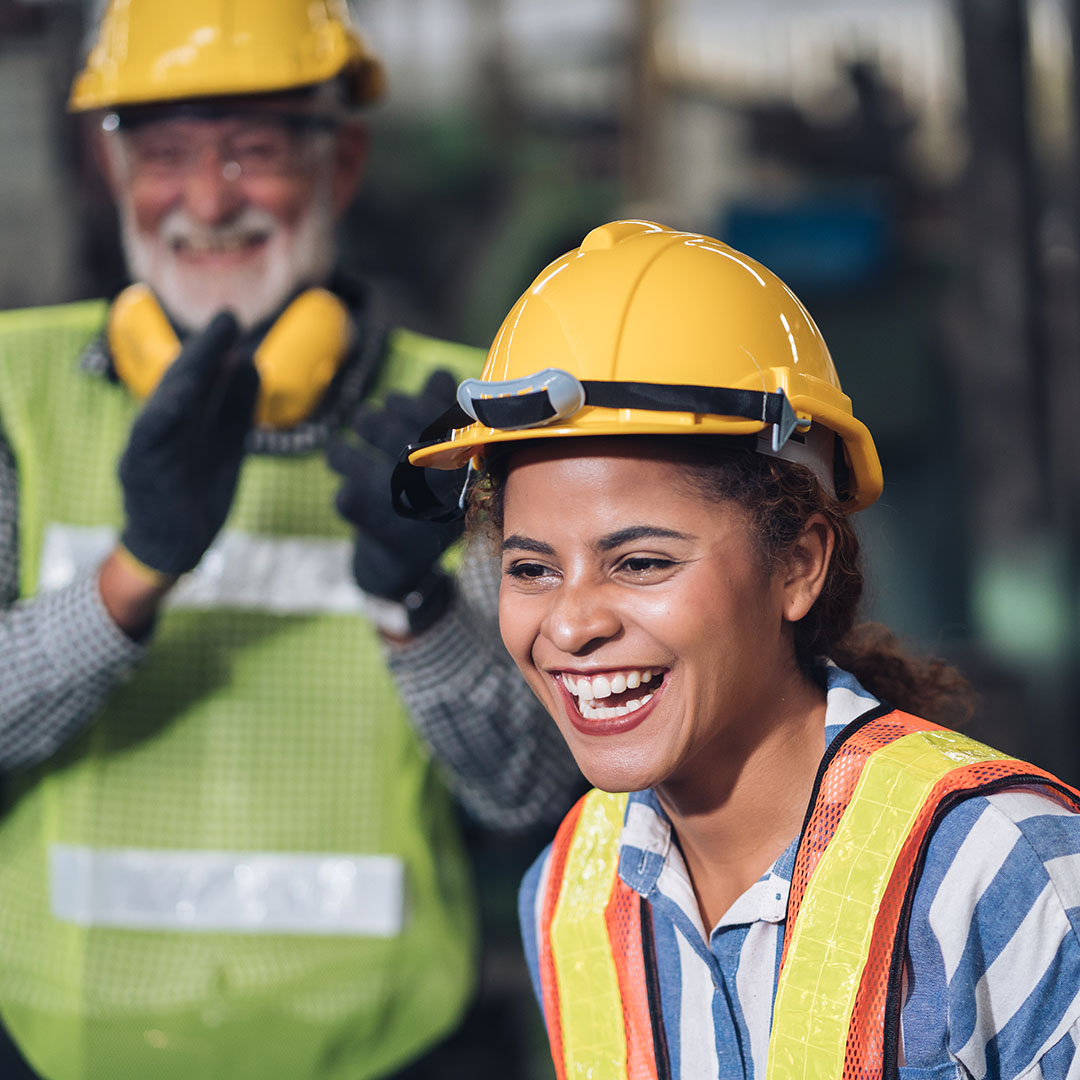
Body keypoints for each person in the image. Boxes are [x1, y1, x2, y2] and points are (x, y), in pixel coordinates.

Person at [0, 2, 581, 1079]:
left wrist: (419, 608)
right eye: (165, 153)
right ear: (107, 165)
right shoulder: (13, 395)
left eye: (252, 151)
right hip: (57, 1049)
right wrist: (136, 571)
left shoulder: (464, 418)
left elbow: (540, 788)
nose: (208, 199)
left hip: (389, 1050)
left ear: (343, 160)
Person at [396, 219, 1080, 1077]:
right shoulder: (570, 889)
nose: (569, 626)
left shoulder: (1002, 865)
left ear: (798, 564)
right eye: (531, 568)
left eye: (640, 562)